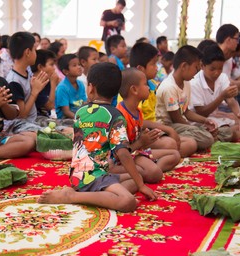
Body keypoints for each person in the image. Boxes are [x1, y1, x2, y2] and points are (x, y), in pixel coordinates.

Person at [38, 62, 157, 212]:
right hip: (93, 176)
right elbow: (123, 153)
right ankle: (71, 196)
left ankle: (90, 193)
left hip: (79, 175)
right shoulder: (115, 115)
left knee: (134, 179)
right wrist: (141, 185)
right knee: (128, 202)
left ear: (91, 88)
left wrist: (138, 182)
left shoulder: (81, 111)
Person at [128, 42, 196, 157]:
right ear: (140, 68)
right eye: (153, 64)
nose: (157, 68)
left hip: (154, 130)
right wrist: (167, 129)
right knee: (171, 144)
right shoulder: (132, 89)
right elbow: (138, 121)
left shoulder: (153, 85)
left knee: (191, 143)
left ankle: (161, 155)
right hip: (139, 135)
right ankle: (157, 155)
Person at [114, 68, 180, 183]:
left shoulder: (137, 112)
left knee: (175, 154)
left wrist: (146, 139)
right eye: (145, 84)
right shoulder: (120, 116)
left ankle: (147, 170)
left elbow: (137, 140)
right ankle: (144, 171)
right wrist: (141, 142)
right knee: (155, 174)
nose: (149, 88)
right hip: (122, 158)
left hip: (137, 152)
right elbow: (120, 154)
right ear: (134, 89)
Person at [156, 45, 216, 152]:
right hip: (167, 126)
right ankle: (172, 143)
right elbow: (176, 119)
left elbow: (186, 111)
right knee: (206, 137)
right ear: (184, 66)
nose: (197, 72)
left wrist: (205, 121)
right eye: (196, 68)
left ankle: (193, 139)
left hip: (181, 125)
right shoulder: (169, 87)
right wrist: (198, 129)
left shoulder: (186, 83)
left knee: (215, 131)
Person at [190, 44, 240, 142]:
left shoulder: (222, 78)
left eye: (220, 68)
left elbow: (230, 100)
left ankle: (221, 135)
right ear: (202, 65)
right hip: (198, 122)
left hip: (212, 119)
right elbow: (201, 112)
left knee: (239, 126)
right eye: (212, 69)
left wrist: (239, 114)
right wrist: (222, 96)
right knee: (232, 132)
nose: (217, 72)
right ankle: (218, 136)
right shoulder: (194, 82)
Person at [6, 31, 49, 134]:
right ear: (28, 52)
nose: (36, 53)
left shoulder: (26, 73)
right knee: (51, 134)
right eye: (34, 49)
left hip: (32, 121)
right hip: (20, 125)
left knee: (67, 126)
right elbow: (22, 114)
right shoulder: (14, 81)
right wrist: (35, 92)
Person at [55, 54, 86, 121]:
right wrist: (80, 119)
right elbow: (66, 112)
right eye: (74, 65)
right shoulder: (62, 87)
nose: (79, 67)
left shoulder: (80, 84)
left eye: (79, 64)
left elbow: (84, 103)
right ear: (66, 71)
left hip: (78, 116)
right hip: (66, 119)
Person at [30, 49, 59, 122]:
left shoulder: (47, 81)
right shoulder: (35, 83)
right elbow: (50, 106)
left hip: (46, 117)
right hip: (36, 119)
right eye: (51, 64)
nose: (54, 68)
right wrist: (53, 83)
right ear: (40, 67)